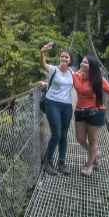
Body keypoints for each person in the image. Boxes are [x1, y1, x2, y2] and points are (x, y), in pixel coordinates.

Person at [72, 53, 109, 176]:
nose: (82, 64)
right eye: (82, 61)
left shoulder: (99, 79)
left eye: (86, 62)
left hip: (95, 112)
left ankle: (90, 164)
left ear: (91, 66)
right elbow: (63, 79)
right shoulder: (75, 76)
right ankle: (95, 154)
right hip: (80, 111)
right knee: (80, 139)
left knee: (92, 140)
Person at [39, 42, 74, 176]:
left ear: (70, 60)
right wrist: (42, 52)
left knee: (64, 135)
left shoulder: (72, 72)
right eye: (62, 57)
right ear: (60, 58)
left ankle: (61, 163)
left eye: (67, 57)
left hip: (67, 106)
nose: (64, 59)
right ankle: (47, 162)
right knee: (56, 134)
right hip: (52, 103)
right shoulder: (54, 69)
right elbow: (43, 64)